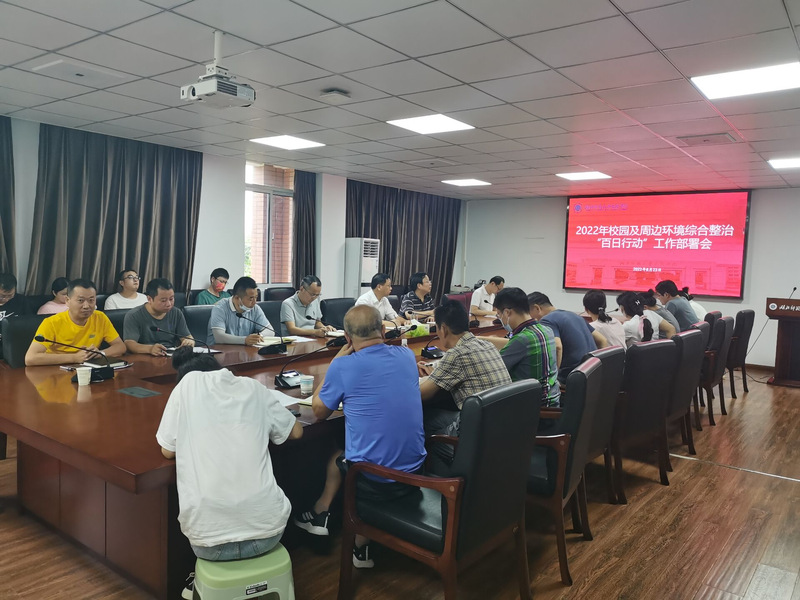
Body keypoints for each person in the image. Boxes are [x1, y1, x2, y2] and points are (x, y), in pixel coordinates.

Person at [156, 346, 303, 599]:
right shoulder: (254, 388)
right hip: (268, 533)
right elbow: (297, 432)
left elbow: (167, 450)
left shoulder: (185, 387)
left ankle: (197, 581)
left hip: (207, 544)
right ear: (221, 370)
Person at [294, 305, 426, 570]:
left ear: (347, 337)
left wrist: (334, 364)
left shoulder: (344, 366)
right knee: (346, 450)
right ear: (383, 330)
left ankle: (348, 532)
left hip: (374, 480)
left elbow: (319, 411)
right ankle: (327, 515)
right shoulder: (406, 355)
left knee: (337, 453)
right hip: (417, 471)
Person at [418, 301, 511, 460]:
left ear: (443, 329)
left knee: (421, 421)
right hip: (501, 430)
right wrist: (438, 374)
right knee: (433, 415)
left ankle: (431, 471)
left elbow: (420, 395)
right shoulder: (487, 345)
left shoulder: (456, 354)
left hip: (477, 439)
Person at [484, 287, 560, 407]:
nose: (500, 319)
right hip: (552, 401)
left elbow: (493, 370)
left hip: (533, 408)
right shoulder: (546, 330)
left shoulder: (522, 339)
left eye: (499, 315)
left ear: (507, 312)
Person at [25, 278, 126, 366]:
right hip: (56, 371)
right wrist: (74, 358)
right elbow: (30, 358)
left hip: (88, 368)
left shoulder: (100, 317)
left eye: (91, 300)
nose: (86, 306)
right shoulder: (51, 323)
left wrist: (100, 354)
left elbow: (120, 346)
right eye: (80, 300)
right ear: (67, 301)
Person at [528, 291, 607, 383]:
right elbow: (602, 340)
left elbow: (557, 347)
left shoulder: (546, 320)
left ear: (537, 308)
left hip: (571, 377)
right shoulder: (574, 315)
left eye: (528, 313)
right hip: (591, 373)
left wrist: (553, 379)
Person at [124, 278, 194, 355]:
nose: (169, 304)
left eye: (171, 299)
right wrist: (150, 349)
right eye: (163, 300)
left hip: (170, 355)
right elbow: (130, 344)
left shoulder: (176, 313)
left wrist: (189, 342)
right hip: (145, 355)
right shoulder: (134, 315)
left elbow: (187, 337)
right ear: (149, 299)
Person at [207, 276, 273, 345]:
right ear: (237, 298)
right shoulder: (220, 308)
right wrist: (244, 340)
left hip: (243, 350)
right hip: (218, 350)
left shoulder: (255, 309)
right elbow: (219, 337)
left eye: (256, 297)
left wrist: (258, 337)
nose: (254, 302)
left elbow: (270, 331)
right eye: (250, 299)